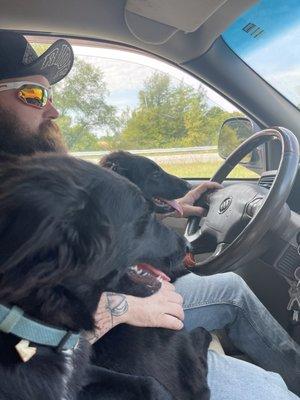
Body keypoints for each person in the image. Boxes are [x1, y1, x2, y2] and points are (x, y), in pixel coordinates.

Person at [0, 31, 299, 399]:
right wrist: (128, 309)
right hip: (83, 354)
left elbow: (100, 230)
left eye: (50, 94)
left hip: (100, 314)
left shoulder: (30, 171)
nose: (53, 109)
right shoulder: (21, 199)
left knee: (232, 288)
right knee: (270, 392)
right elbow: (18, 333)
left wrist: (170, 208)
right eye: (33, 94)